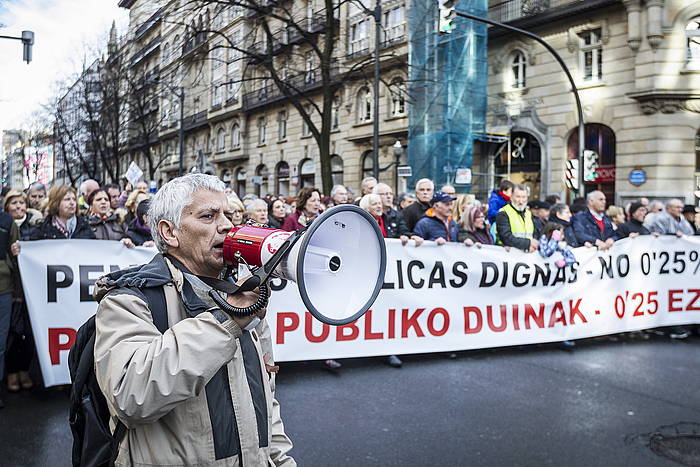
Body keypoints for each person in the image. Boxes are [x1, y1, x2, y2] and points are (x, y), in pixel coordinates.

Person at [93, 173, 295, 465]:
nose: (227, 225)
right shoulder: (129, 300)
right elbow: (130, 396)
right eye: (208, 216)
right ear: (169, 232)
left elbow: (266, 399)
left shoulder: (242, 297)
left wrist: (281, 461)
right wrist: (227, 318)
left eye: (229, 214)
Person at [3, 192, 36, 395]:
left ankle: (24, 370)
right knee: (12, 333)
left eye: (21, 202)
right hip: (11, 288)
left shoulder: (35, 228)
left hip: (32, 290)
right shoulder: (5, 227)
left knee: (28, 333)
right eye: (14, 203)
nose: (18, 206)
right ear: (7, 207)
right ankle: (11, 372)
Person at [30, 185, 96, 240]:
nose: (72, 203)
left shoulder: (84, 226)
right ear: (56, 203)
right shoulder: (42, 229)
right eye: (67, 199)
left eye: (74, 199)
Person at [494, 184, 538, 252]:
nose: (521, 201)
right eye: (518, 197)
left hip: (527, 255)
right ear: (511, 197)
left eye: (524, 197)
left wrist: (533, 243)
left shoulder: (528, 213)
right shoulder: (503, 213)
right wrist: (528, 243)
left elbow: (534, 233)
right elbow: (506, 238)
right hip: (508, 256)